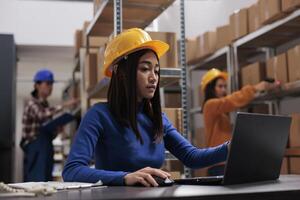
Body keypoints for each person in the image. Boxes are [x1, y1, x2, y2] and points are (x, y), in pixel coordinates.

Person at [62, 28, 230, 187]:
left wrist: (230, 147)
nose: (153, 78)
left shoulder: (158, 119)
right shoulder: (99, 115)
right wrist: (124, 177)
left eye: (156, 71)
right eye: (144, 69)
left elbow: (192, 157)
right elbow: (72, 170)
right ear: (122, 73)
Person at [201, 68, 279, 175]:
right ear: (210, 88)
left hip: (225, 163)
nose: (224, 90)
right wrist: (255, 88)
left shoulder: (220, 112)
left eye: (225, 86)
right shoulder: (210, 105)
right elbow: (230, 101)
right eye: (220, 86)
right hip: (218, 165)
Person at [21, 69, 79, 182]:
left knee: (46, 180)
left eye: (51, 84)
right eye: (47, 83)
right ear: (36, 85)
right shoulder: (32, 103)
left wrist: (56, 129)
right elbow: (41, 115)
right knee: (36, 181)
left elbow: (46, 129)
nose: (50, 87)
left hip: (46, 146)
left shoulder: (45, 105)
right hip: (35, 148)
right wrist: (64, 106)